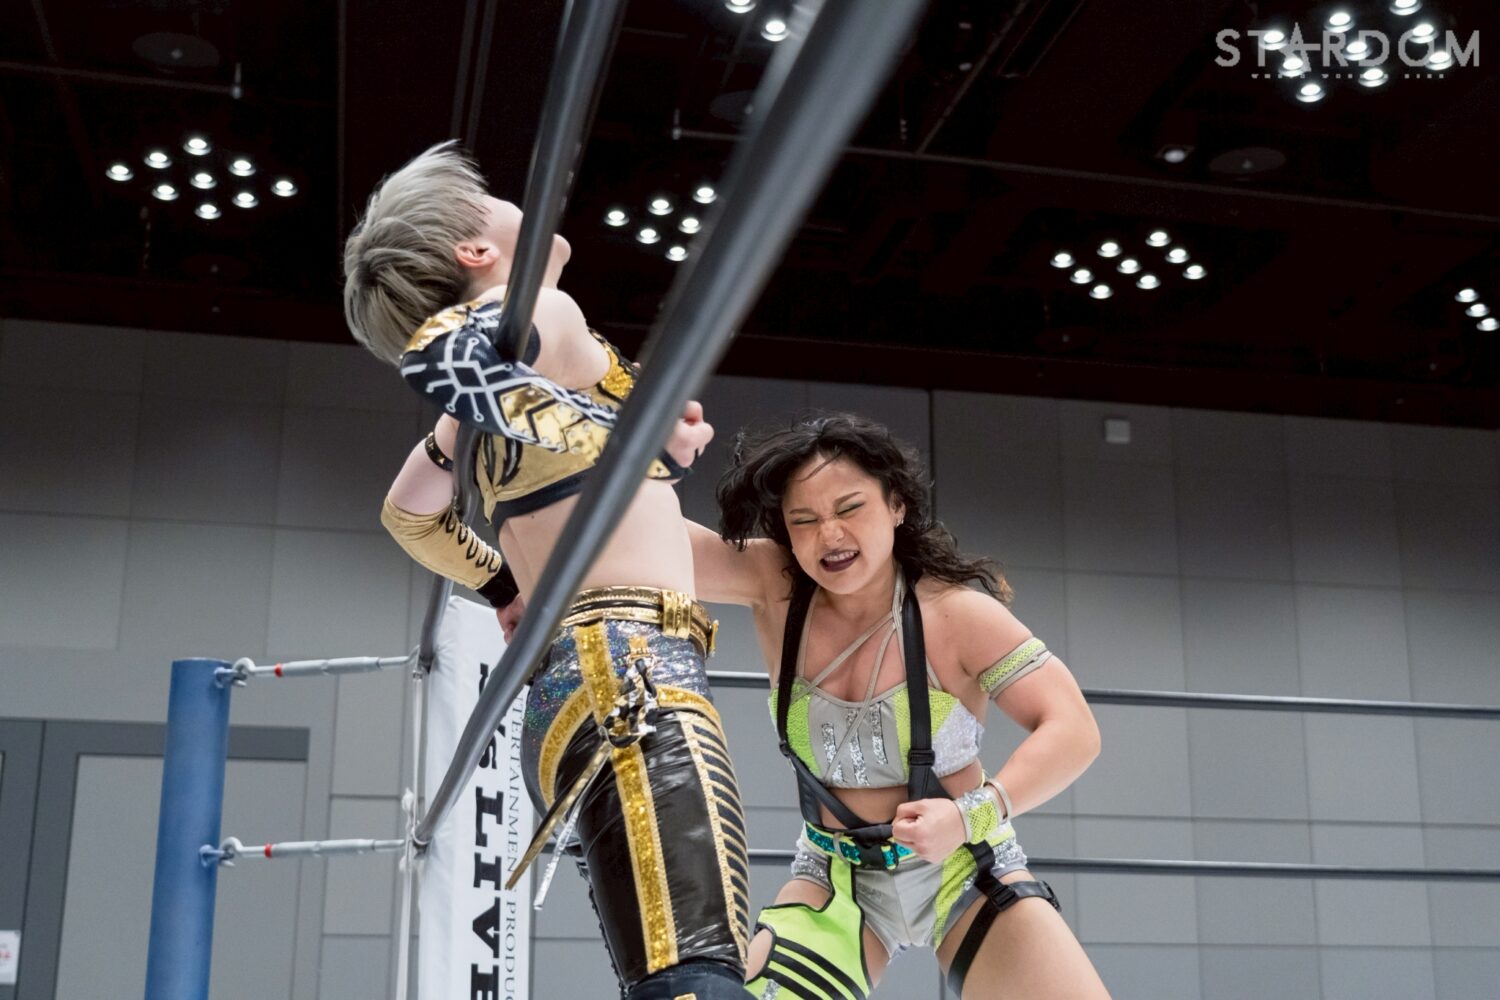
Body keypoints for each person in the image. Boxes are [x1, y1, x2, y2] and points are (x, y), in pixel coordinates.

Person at [342, 141, 750, 1000]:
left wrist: (504, 586)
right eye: (493, 197)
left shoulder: (490, 406)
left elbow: (408, 512)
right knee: (697, 973)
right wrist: (628, 436)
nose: (519, 203)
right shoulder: (545, 313)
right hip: (629, 671)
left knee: (689, 964)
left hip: (586, 681)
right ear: (475, 249)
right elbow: (444, 358)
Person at [689, 412, 1110, 999]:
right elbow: (635, 542)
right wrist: (647, 450)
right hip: (835, 878)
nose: (829, 535)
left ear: (896, 505)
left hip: (966, 866)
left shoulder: (957, 615)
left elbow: (1074, 729)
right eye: (804, 520)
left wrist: (970, 816)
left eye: (850, 508)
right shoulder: (776, 587)